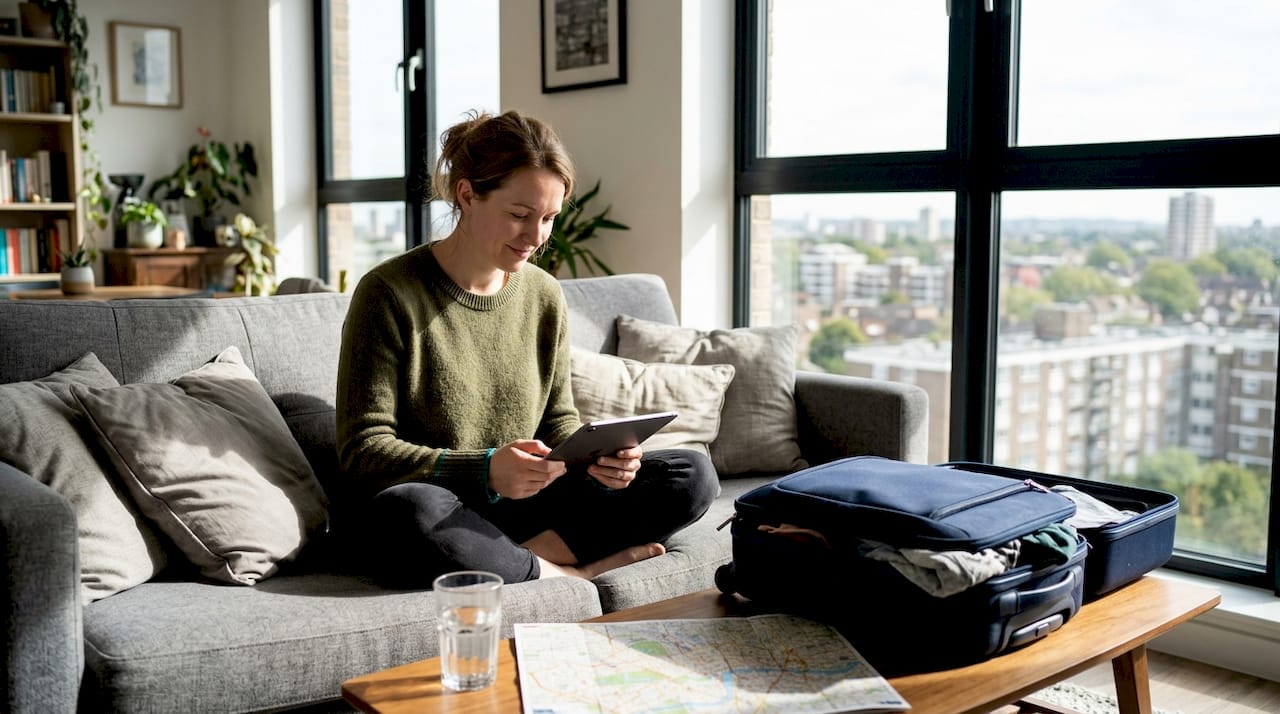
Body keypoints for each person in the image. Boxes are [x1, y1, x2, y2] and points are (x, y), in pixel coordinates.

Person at [335, 110, 718, 587]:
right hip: (442, 510)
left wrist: (599, 460)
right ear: (468, 194)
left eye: (549, 218)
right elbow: (362, 452)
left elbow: (559, 421)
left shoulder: (542, 294)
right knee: (408, 511)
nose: (536, 238)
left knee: (691, 472)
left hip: (526, 509)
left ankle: (525, 565)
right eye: (519, 215)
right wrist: (484, 470)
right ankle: (569, 572)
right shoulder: (388, 293)